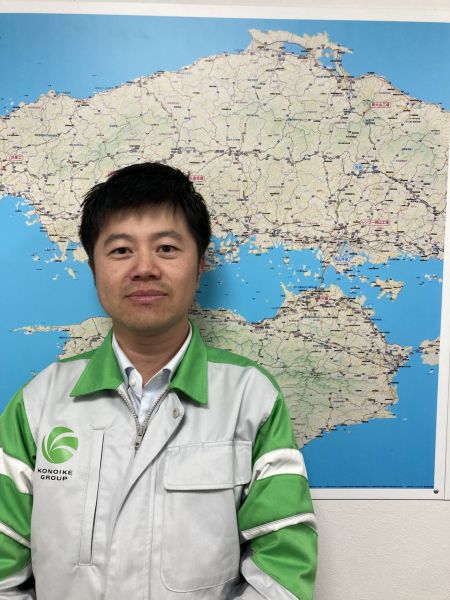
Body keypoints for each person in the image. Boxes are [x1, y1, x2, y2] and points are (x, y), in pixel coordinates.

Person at [0, 162, 317, 600]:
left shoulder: (250, 397)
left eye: (167, 248)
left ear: (200, 264)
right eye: (120, 250)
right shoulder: (40, 402)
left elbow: (282, 567)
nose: (144, 268)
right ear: (93, 267)